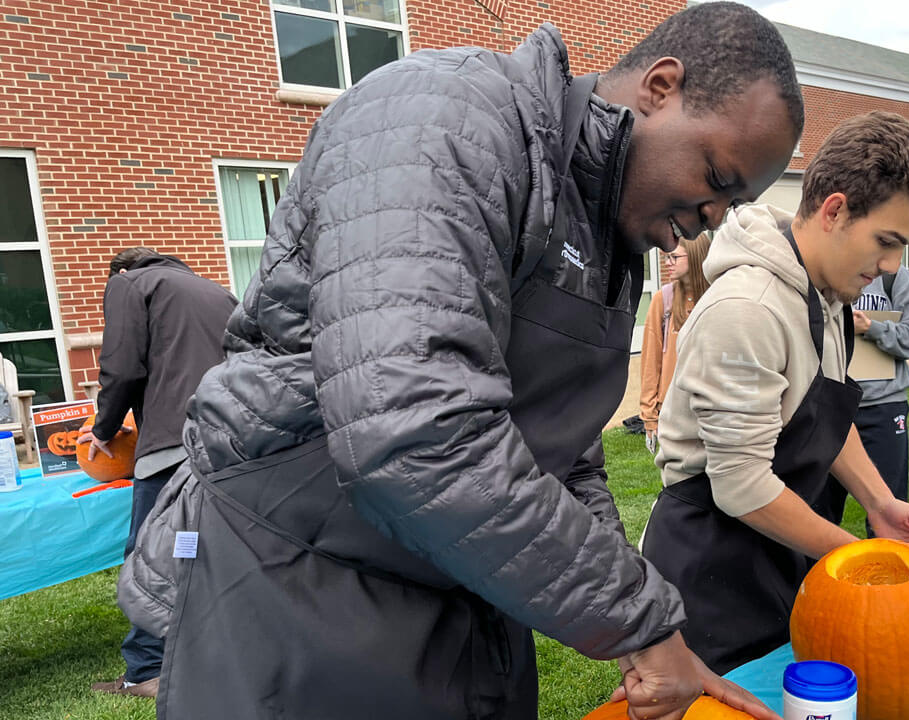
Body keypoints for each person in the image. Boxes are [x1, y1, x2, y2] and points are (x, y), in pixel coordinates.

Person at [122, 4, 804, 720]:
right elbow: (411, 431)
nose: (715, 218)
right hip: (301, 582)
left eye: (737, 204)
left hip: (466, 581)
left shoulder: (610, 231)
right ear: (661, 87)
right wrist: (640, 617)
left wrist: (629, 619)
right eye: (719, 178)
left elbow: (563, 454)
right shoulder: (440, 119)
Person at [644, 112, 909, 674]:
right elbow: (741, 486)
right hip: (714, 567)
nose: (889, 268)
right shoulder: (749, 309)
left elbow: (821, 417)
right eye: (886, 241)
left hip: (779, 546)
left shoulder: (825, 293)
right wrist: (859, 557)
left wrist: (879, 502)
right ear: (834, 210)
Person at [81, 247, 237, 698]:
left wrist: (103, 429)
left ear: (123, 271)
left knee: (151, 553)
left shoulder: (129, 283)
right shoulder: (216, 291)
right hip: (228, 441)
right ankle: (221, 656)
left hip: (171, 444)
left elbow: (122, 366)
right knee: (205, 551)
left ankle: (147, 670)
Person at [812, 265, 909, 536]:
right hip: (830, 406)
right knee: (819, 510)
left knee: (888, 509)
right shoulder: (821, 271)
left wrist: (871, 328)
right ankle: (818, 576)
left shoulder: (892, 276)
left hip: (884, 407)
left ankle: (887, 573)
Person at [639, 231, 713, 454]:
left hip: (711, 406)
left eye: (674, 258)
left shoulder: (716, 297)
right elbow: (650, 361)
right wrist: (649, 417)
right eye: (665, 258)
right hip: (673, 410)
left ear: (696, 256)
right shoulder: (663, 299)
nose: (668, 263)